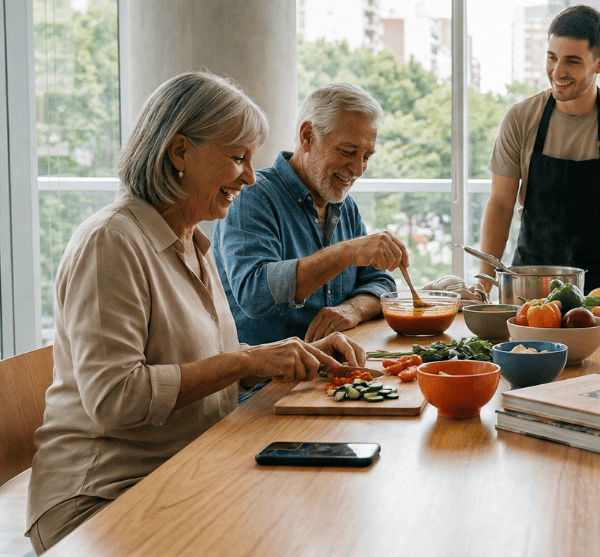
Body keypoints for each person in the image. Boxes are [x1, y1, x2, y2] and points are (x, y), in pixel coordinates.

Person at [27, 72, 367, 553]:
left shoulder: (191, 240)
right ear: (179, 151)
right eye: (237, 157)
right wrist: (246, 363)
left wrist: (286, 354)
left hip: (187, 465)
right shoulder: (111, 242)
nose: (250, 177)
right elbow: (115, 398)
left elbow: (208, 359)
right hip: (102, 495)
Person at [479, 5, 600, 303]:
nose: (557, 72)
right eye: (552, 57)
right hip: (530, 284)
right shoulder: (520, 118)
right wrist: (484, 285)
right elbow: (501, 205)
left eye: (572, 61)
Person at [212, 82, 407, 345]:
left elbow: (380, 281)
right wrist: (346, 252)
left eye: (367, 156)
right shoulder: (252, 196)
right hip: (268, 381)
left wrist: (354, 309)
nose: (359, 169)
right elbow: (254, 292)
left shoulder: (345, 206)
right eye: (348, 152)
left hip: (332, 370)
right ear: (307, 137)